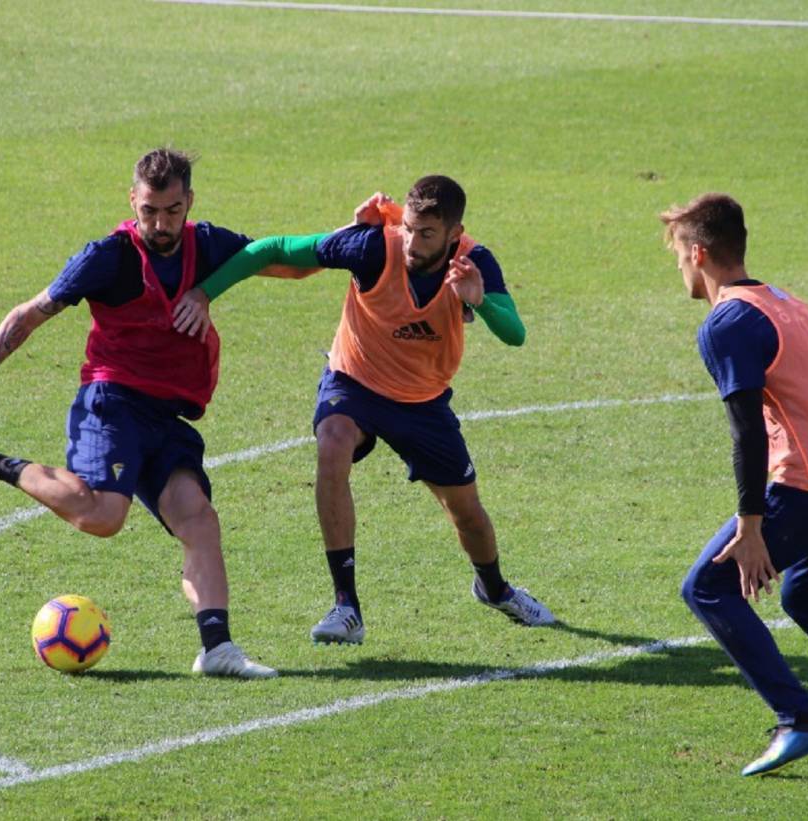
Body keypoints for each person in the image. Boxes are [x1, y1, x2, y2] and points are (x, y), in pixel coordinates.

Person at [0, 148, 282, 679]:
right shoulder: (108, 257)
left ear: (190, 203)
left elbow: (282, 259)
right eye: (150, 211)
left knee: (199, 520)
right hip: (111, 403)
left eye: (172, 211)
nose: (160, 224)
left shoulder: (207, 246)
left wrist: (360, 235)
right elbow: (28, 314)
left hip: (166, 416)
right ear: (132, 200)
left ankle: (217, 649)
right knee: (103, 516)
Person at [172, 175, 555, 647]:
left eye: (427, 233)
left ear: (455, 233)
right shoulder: (372, 247)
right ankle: (346, 606)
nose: (413, 241)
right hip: (354, 382)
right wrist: (204, 293)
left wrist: (481, 303)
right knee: (331, 442)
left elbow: (514, 333)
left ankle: (495, 590)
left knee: (467, 514)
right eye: (410, 228)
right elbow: (274, 249)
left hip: (422, 402)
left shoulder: (474, 264)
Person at [662, 193, 808, 774]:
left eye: (678, 257)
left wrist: (751, 528)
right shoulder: (786, 302)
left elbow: (745, 431)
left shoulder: (728, 322)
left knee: (707, 588)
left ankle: (802, 719)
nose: (679, 269)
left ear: (699, 253)